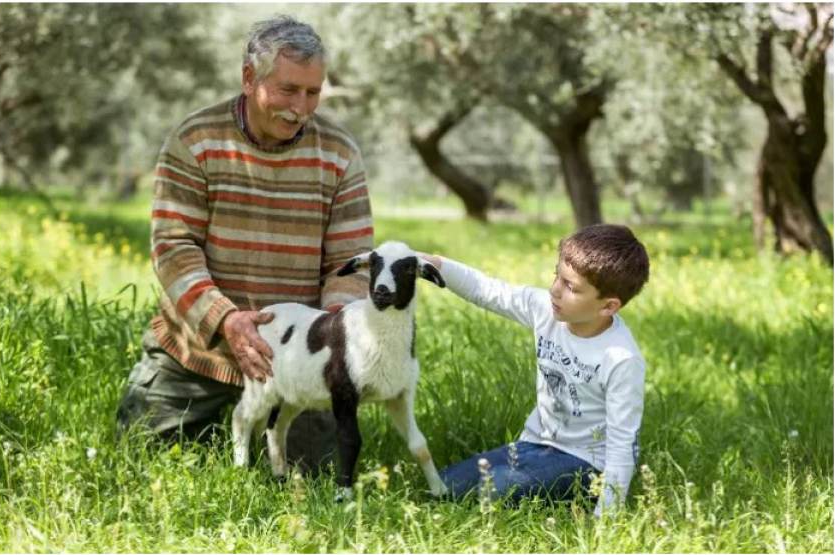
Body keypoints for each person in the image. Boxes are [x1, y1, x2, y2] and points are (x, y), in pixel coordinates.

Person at [116, 15, 374, 472]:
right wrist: (228, 320)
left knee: (318, 478)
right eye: (288, 90)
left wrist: (329, 337)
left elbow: (347, 264)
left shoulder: (339, 152)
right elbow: (174, 248)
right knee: (138, 458)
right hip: (200, 347)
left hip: (296, 355)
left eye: (312, 93)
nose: (301, 107)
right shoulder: (195, 139)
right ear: (249, 77)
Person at [421, 224, 649, 515]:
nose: (555, 289)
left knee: (495, 489)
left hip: (587, 463)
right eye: (557, 276)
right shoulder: (547, 310)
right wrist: (432, 263)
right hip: (533, 445)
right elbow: (488, 290)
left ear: (608, 306)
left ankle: (583, 498)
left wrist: (607, 516)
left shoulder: (620, 358)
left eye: (571, 287)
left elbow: (622, 443)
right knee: (443, 486)